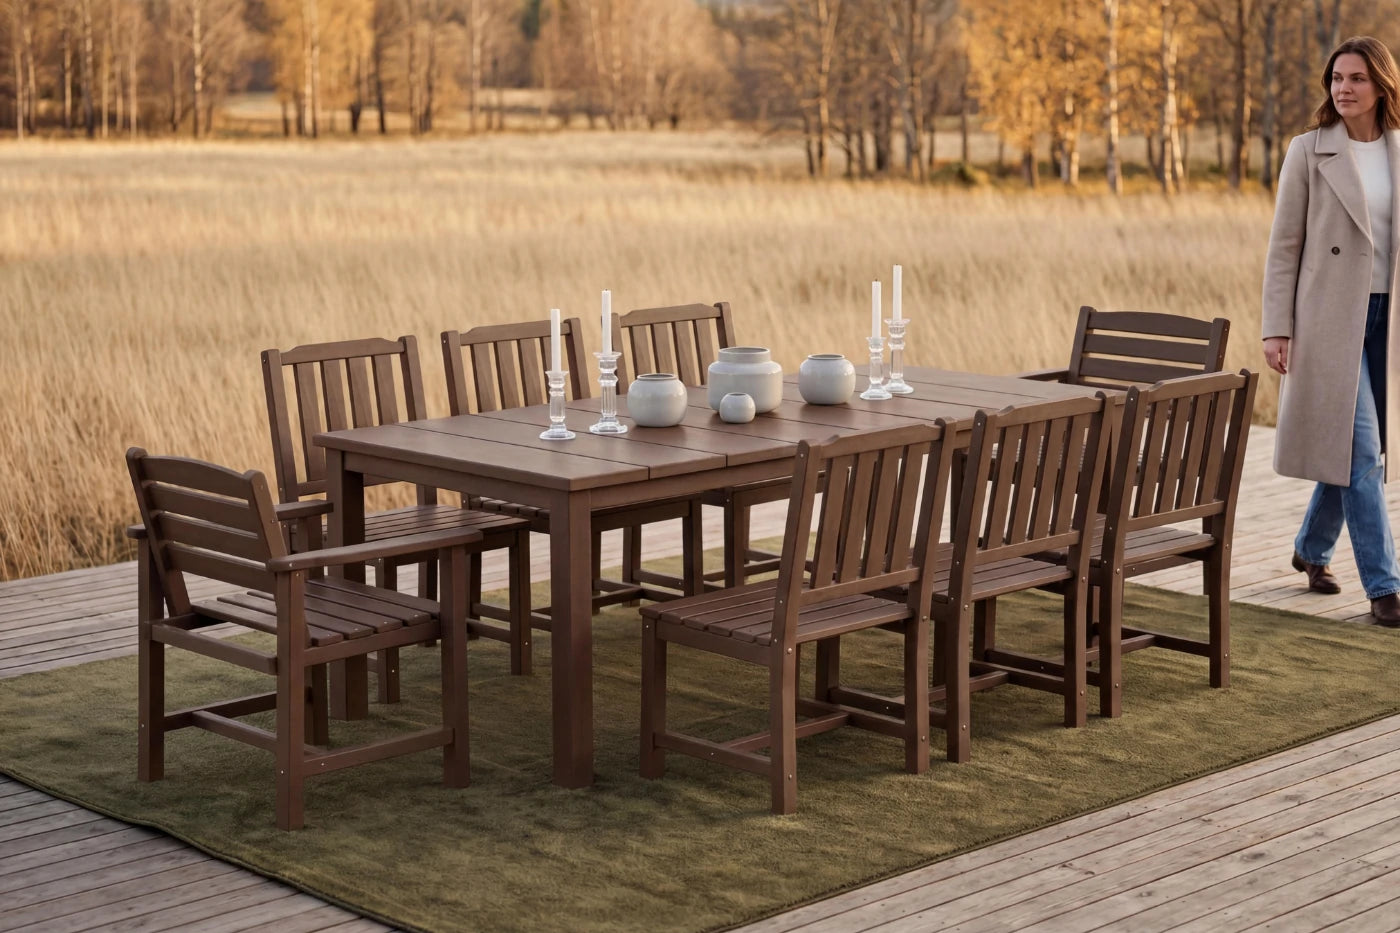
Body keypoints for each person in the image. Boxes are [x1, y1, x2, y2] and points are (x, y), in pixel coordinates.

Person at [1263, 35, 1400, 627]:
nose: (1343, 89)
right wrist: (1277, 328)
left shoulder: (1399, 151)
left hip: (1388, 320)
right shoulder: (1308, 151)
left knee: (1356, 449)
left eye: (1356, 79)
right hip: (1327, 318)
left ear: (1382, 87)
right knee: (1363, 450)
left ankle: (1311, 551)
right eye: (1337, 79)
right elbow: (1283, 247)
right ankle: (1385, 587)